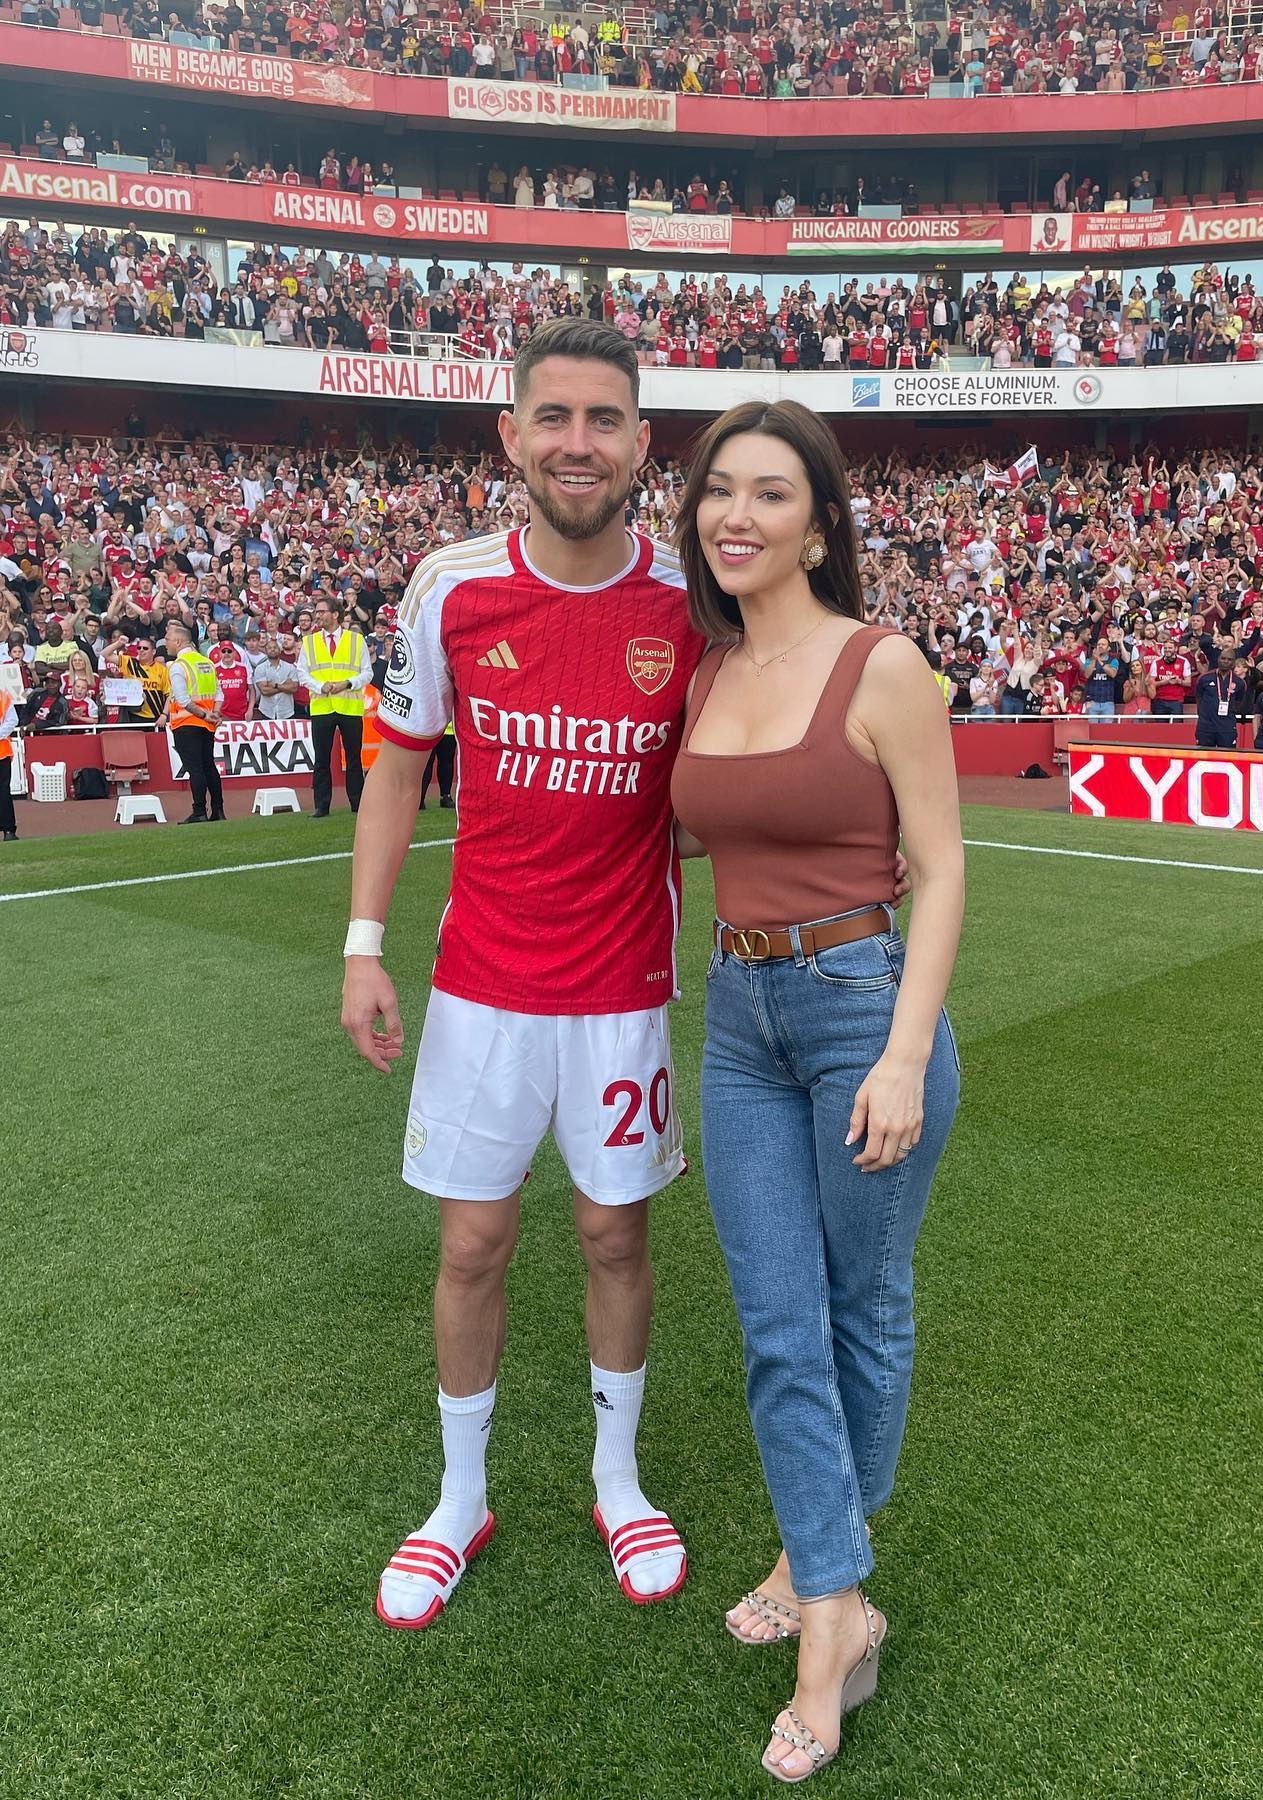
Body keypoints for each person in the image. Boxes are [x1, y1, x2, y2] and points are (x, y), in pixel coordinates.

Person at [340, 319, 709, 1632]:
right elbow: (394, 767)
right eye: (552, 416)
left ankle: (618, 1479)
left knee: (617, 1231)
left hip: (622, 993)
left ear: (642, 444)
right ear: (510, 434)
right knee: (473, 1239)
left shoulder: (688, 597)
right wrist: (365, 947)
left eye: (605, 419)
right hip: (482, 985)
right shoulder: (444, 587)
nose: (577, 442)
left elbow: (727, 775)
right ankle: (458, 1498)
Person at [670, 400, 965, 1784]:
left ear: (822, 523)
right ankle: (837, 1594)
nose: (737, 514)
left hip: (861, 1011)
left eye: (769, 495)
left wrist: (905, 1054)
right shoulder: (706, 669)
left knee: (862, 1306)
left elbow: (945, 867)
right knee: (778, 1327)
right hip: (737, 1020)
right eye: (719, 491)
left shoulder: (883, 664)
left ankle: (820, 1605)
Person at [300, 598, 372, 816]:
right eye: (317, 611)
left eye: (322, 611)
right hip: (322, 706)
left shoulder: (356, 641)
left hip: (349, 706)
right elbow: (302, 672)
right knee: (321, 758)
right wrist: (321, 686)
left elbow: (367, 672)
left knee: (353, 758)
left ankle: (357, 803)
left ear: (335, 614)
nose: (317, 615)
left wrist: (347, 683)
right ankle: (321, 805)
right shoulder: (309, 642)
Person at [166, 618, 225, 822]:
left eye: (169, 639)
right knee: (209, 766)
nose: (166, 643)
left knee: (196, 769)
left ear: (179, 642)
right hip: (207, 724)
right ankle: (218, 810)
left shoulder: (177, 666)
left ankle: (199, 810)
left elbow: (182, 699)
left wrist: (203, 714)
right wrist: (214, 714)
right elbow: (219, 693)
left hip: (187, 723)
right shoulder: (207, 662)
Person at [1193, 647, 1241, 748]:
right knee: (1203, 758)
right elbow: (1199, 699)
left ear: (1233, 663)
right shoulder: (1204, 678)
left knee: (1227, 758)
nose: (1226, 661)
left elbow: (1238, 702)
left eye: (1229, 659)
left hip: (1227, 727)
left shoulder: (1239, 682)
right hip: (1206, 726)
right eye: (1223, 658)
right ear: (1218, 659)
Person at [419, 721, 456, 809]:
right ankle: (421, 798)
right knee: (427, 764)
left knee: (447, 763)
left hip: (448, 731)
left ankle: (446, 796)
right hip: (428, 731)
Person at [0, 681, 17, 839]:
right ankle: (9, 831)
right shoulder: (3, 696)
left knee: (3, 791)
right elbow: (12, 721)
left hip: (2, 752)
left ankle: (8, 830)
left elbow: (12, 720)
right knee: (3, 791)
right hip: (2, 750)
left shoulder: (3, 696)